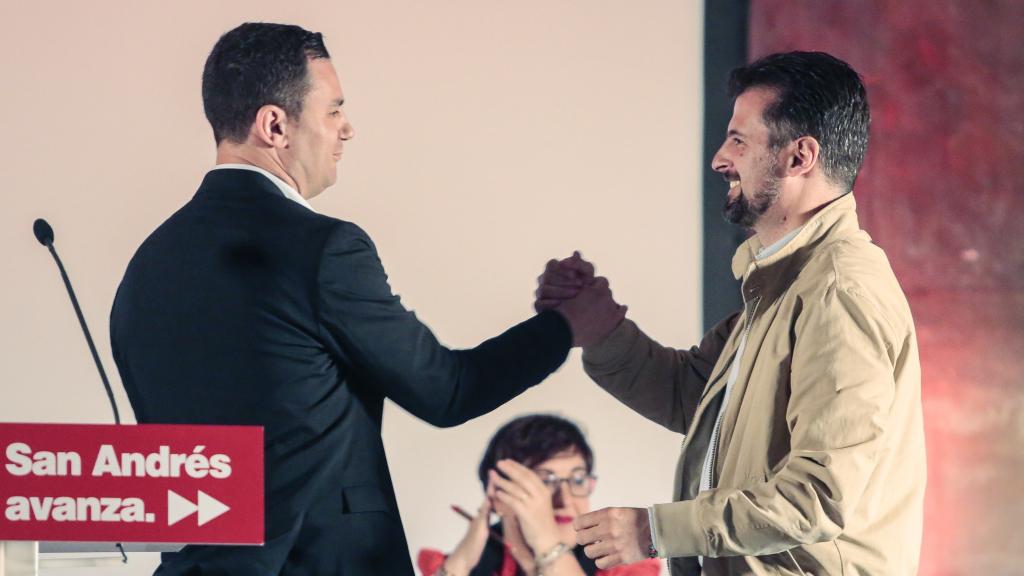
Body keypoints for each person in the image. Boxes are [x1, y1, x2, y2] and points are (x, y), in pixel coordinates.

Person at [109, 23, 623, 575]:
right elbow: (448, 391)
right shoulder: (322, 249)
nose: (347, 129)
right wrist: (565, 327)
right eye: (333, 110)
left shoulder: (145, 269)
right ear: (275, 125)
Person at [536, 52, 926, 574]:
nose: (720, 159)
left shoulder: (837, 290)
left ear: (799, 157)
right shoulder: (783, 286)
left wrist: (655, 531)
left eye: (740, 141)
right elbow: (692, 397)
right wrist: (599, 325)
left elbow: (819, 496)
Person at [417, 415, 661, 576]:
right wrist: (460, 564)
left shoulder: (622, 566)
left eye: (577, 479)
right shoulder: (463, 565)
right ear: (500, 493)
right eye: (545, 482)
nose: (564, 500)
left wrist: (547, 544)